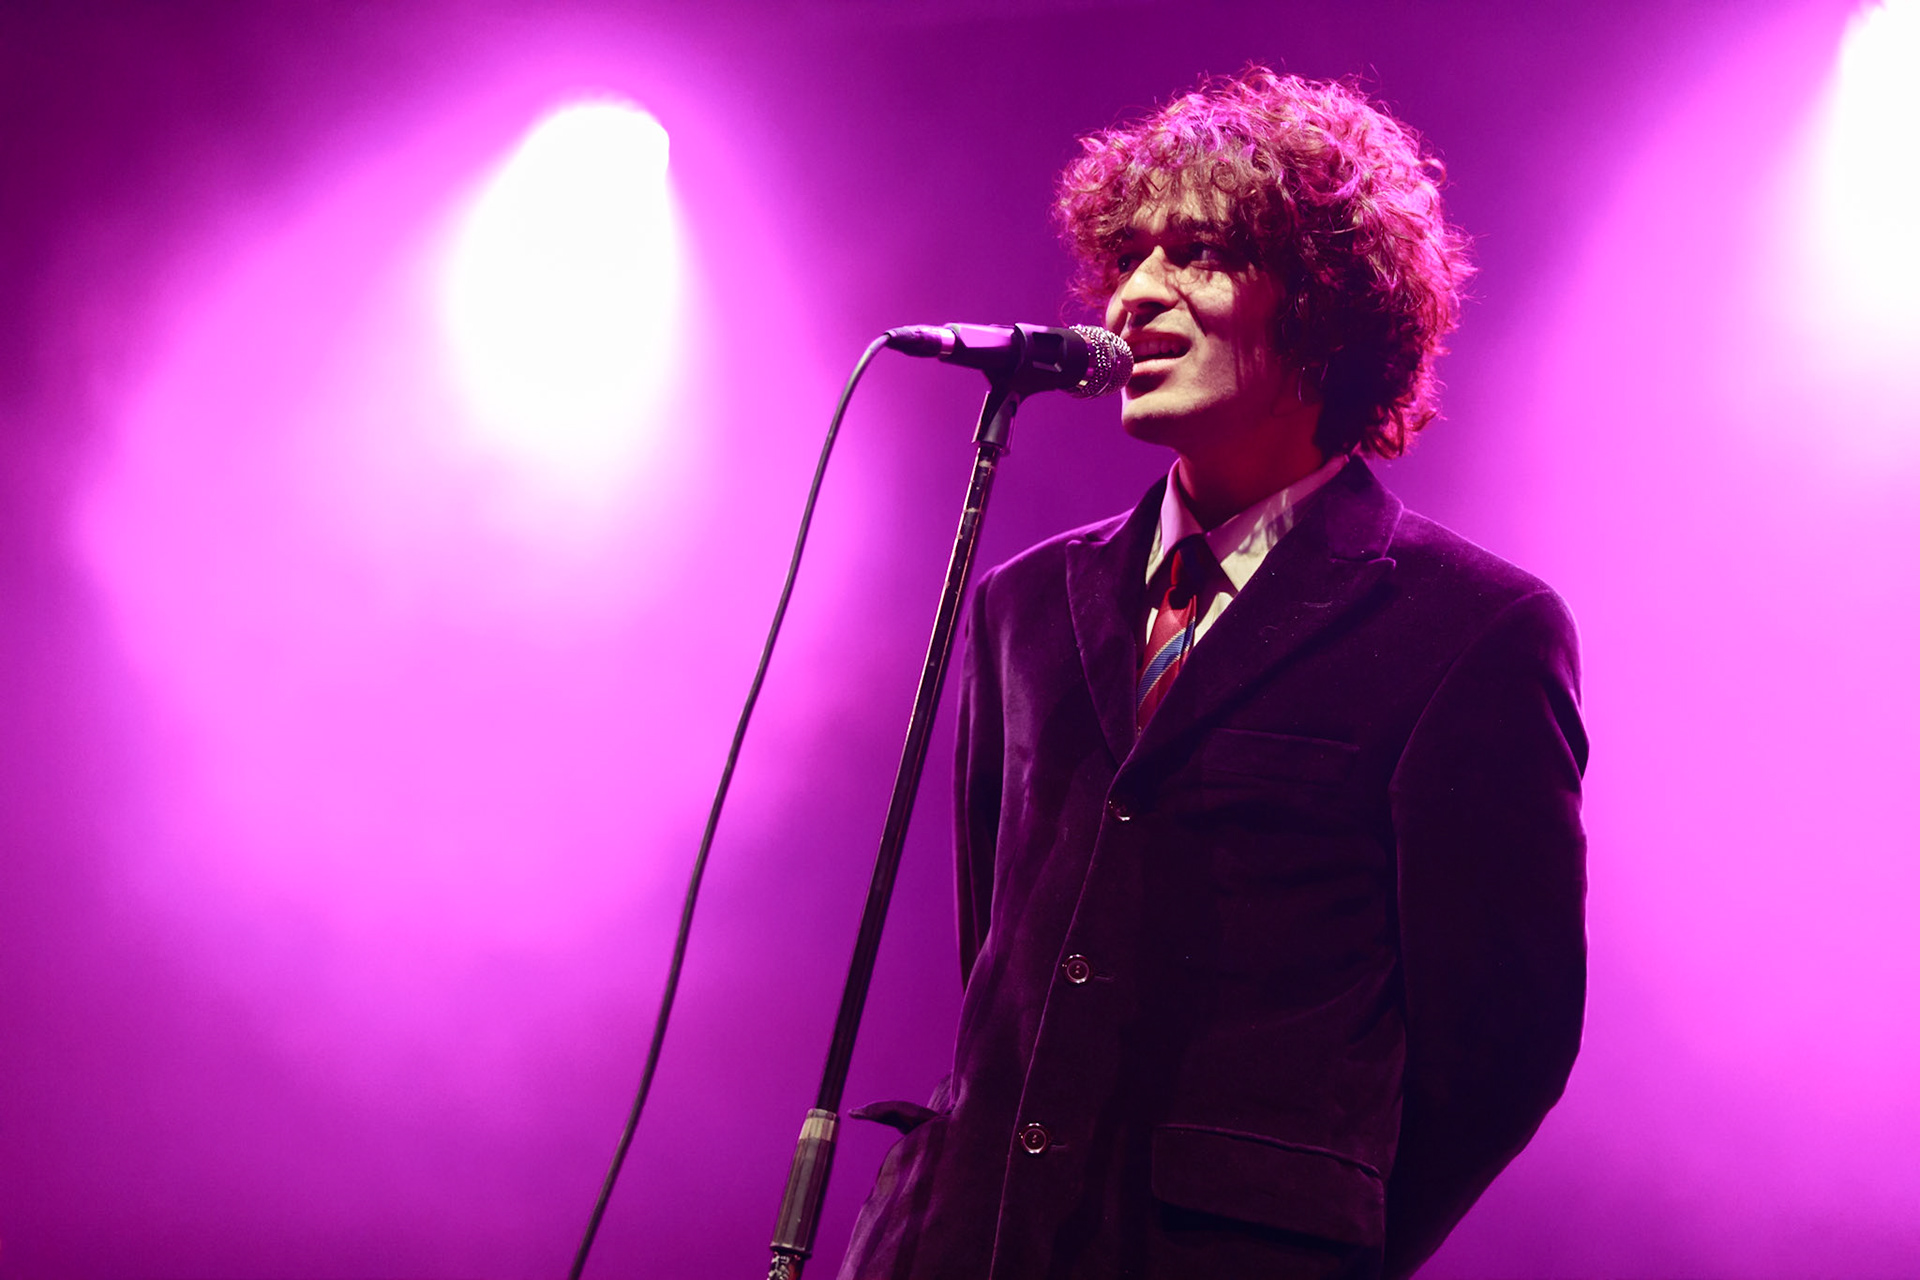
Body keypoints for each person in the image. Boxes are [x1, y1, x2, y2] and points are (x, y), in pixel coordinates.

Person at [838, 68, 1588, 1280]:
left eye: (1197, 252)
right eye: (1127, 254)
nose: (1134, 295)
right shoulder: (1023, 603)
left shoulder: (1472, 631)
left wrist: (1306, 1239)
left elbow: (1505, 1045)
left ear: (1331, 301)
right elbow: (1003, 949)